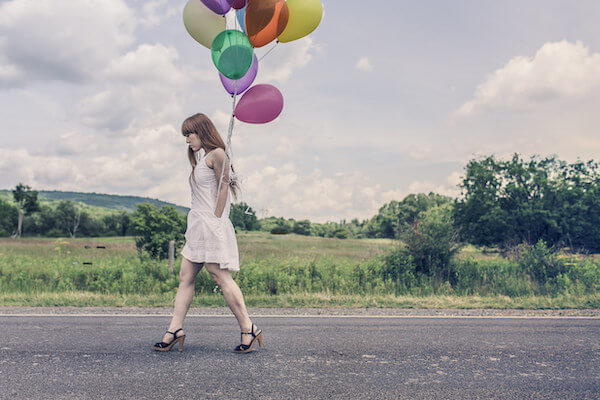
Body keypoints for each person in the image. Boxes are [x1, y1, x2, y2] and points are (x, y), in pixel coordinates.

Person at [153, 113, 262, 354]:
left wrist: (216, 220)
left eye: (189, 134)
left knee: (220, 276)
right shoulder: (203, 159)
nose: (187, 140)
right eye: (185, 135)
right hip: (197, 226)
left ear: (202, 131)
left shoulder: (218, 154)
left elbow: (223, 187)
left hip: (211, 224)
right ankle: (174, 329)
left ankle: (248, 327)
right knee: (185, 277)